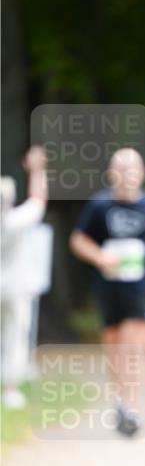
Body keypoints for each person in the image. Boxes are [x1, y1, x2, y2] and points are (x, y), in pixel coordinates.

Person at [69, 148, 145, 436]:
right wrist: (100, 257)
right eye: (120, 168)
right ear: (111, 174)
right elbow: (78, 240)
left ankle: (132, 408)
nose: (126, 174)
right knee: (113, 344)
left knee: (132, 345)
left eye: (131, 168)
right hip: (108, 288)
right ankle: (120, 399)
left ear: (142, 172)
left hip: (141, 287)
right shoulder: (99, 205)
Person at [1, 146, 49, 409]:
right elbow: (38, 199)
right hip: (15, 285)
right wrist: (38, 169)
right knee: (16, 334)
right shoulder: (14, 221)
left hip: (14, 284)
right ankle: (10, 389)